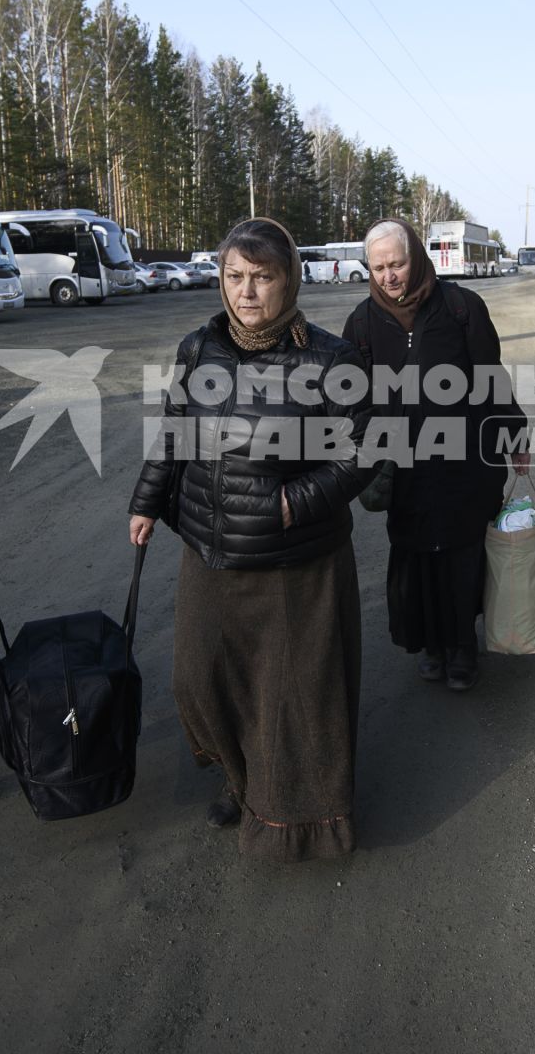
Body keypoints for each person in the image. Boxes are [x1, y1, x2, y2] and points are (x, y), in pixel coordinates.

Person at [128, 217, 369, 861]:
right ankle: (238, 778)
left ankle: (290, 813)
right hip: (210, 547)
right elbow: (174, 429)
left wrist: (295, 502)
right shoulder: (199, 347)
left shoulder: (331, 358)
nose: (247, 292)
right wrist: (148, 499)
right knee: (199, 681)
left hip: (294, 560)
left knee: (288, 694)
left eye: (262, 278)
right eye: (235, 277)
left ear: (289, 279)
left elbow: (365, 452)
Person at [342, 218, 527, 691]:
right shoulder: (361, 323)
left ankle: (463, 645)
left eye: (397, 264)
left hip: (466, 460)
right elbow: (351, 398)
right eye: (379, 267)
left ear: (417, 258)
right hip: (403, 469)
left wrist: (514, 437)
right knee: (415, 555)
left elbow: (492, 378)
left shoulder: (461, 307)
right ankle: (430, 644)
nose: (389, 276)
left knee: (464, 553)